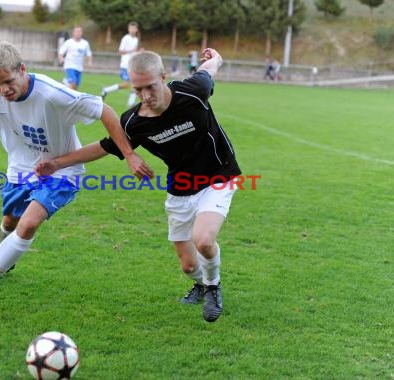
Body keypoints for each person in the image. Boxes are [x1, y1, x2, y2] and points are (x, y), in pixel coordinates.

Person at [0, 42, 153, 311]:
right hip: (20, 170)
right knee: (10, 221)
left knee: (29, 224)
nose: (3, 90)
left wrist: (130, 155)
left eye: (8, 81)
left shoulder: (52, 94)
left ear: (22, 69)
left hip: (62, 171)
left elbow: (105, 111)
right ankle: (5, 260)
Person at [37, 48, 241, 323]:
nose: (145, 95)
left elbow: (208, 70)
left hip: (219, 175)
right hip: (180, 186)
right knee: (188, 264)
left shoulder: (193, 91)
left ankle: (213, 287)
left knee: (203, 239)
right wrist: (57, 164)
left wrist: (215, 57)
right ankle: (201, 283)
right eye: (138, 89)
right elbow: (106, 146)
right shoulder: (134, 121)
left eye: (150, 87)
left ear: (163, 77)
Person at [101, 21, 141, 107]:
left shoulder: (136, 39)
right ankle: (130, 102)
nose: (132, 30)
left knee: (131, 83)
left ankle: (107, 90)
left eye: (133, 28)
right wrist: (132, 51)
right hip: (125, 65)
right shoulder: (125, 38)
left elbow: (133, 53)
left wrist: (139, 52)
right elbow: (120, 51)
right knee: (130, 83)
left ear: (136, 29)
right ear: (128, 29)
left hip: (132, 65)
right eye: (130, 28)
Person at [57, 26, 92, 90]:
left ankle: (65, 81)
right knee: (72, 83)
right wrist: (61, 58)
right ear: (73, 33)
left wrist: (89, 62)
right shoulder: (69, 42)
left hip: (79, 68)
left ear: (82, 33)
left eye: (79, 31)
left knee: (75, 87)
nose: (78, 33)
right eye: (76, 31)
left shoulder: (85, 43)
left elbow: (89, 53)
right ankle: (69, 98)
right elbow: (61, 51)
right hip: (69, 66)